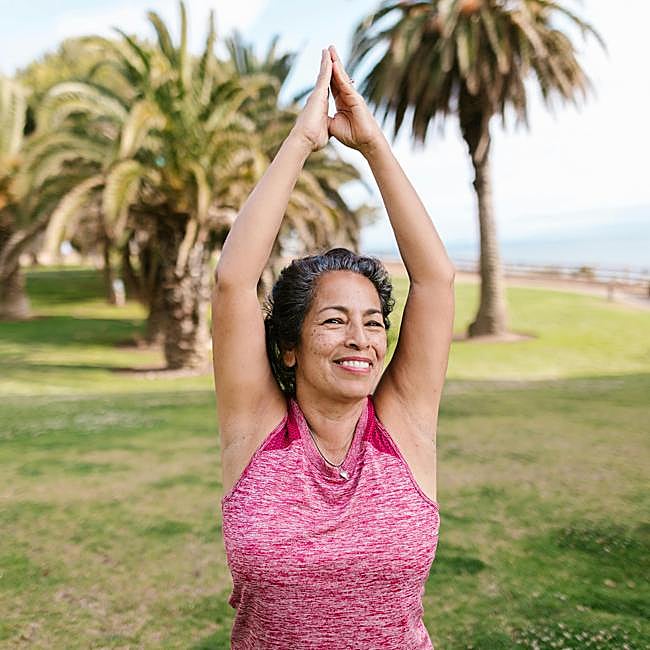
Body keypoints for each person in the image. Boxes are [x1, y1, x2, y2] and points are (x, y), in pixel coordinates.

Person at [212, 44, 455, 650]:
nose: (361, 341)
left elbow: (435, 281)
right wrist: (300, 142)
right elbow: (234, 283)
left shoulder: (404, 426)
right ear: (289, 348)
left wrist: (373, 146)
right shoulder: (257, 431)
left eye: (374, 323)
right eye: (335, 321)